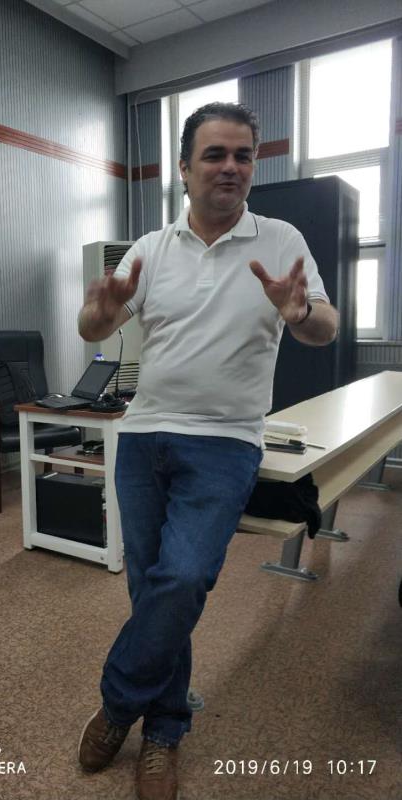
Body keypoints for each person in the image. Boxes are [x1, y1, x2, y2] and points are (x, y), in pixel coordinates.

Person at [77, 102, 339, 800]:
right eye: (215, 154)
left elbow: (324, 327)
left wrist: (299, 311)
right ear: (184, 169)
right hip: (143, 436)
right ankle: (164, 730)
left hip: (226, 440)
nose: (231, 167)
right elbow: (92, 327)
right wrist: (100, 311)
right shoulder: (151, 247)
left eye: (243, 155)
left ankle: (118, 705)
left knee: (185, 576)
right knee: (152, 587)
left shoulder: (281, 239)